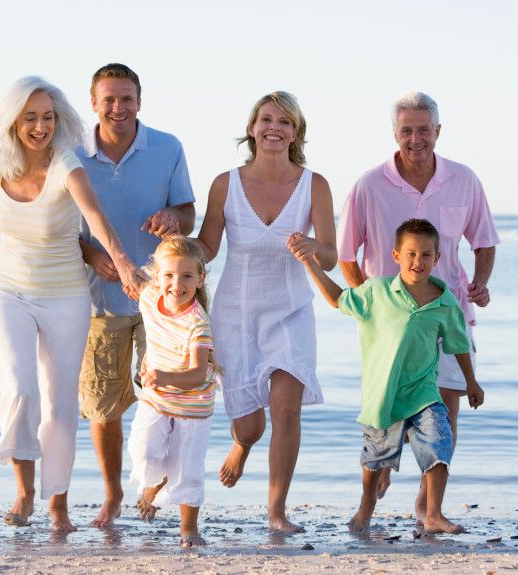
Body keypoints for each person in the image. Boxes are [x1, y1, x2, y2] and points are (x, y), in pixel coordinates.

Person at [0, 76, 141, 533]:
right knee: (18, 386)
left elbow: (96, 219)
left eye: (48, 117)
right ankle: (23, 489)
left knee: (59, 405)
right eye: (30, 118)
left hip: (65, 294)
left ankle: (58, 505)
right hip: (6, 287)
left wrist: (124, 265)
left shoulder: (67, 165)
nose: (40, 127)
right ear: (14, 122)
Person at [337, 91, 499, 508]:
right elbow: (345, 254)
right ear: (395, 133)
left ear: (437, 132)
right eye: (406, 131)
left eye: (423, 130)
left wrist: (479, 283)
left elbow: (483, 242)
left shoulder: (464, 179)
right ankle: (377, 482)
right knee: (387, 412)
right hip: (389, 328)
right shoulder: (369, 185)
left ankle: (428, 504)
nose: (415, 139)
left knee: (444, 410)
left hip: (446, 315)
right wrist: (368, 308)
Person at [196, 91, 337, 533]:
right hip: (236, 316)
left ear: (296, 132)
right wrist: (173, 247)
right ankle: (242, 444)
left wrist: (314, 247)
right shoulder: (226, 183)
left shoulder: (315, 185)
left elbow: (331, 255)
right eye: (266, 119)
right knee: (252, 425)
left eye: (285, 121)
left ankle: (276, 512)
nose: (274, 127)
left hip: (291, 312)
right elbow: (207, 247)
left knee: (286, 408)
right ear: (252, 127)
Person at [295, 218, 484, 534]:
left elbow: (458, 344)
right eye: (410, 254)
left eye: (426, 255)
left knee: (440, 443)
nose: (418, 261)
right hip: (383, 395)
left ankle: (433, 514)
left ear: (437, 258)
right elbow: (337, 298)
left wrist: (471, 382)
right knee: (375, 459)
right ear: (396, 255)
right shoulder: (376, 291)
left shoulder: (445, 302)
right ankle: (366, 507)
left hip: (424, 392)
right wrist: (310, 264)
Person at [77, 63, 196, 528]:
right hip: (97, 301)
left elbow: (188, 212)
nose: (118, 107)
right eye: (109, 99)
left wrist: (173, 216)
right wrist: (90, 254)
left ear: (140, 101)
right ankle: (113, 495)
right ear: (93, 104)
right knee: (103, 405)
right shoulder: (73, 152)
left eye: (126, 98)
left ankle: (155, 487)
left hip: (163, 302)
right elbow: (62, 226)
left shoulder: (167, 148)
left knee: (163, 396)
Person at [126, 235, 219, 548]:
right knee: (143, 448)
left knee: (188, 468)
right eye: (168, 275)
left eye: (186, 276)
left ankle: (189, 529)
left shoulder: (198, 324)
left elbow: (194, 375)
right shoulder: (150, 296)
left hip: (193, 404)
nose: (176, 284)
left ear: (200, 279)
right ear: (157, 276)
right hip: (157, 397)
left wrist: (161, 375)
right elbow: (131, 277)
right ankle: (154, 483)